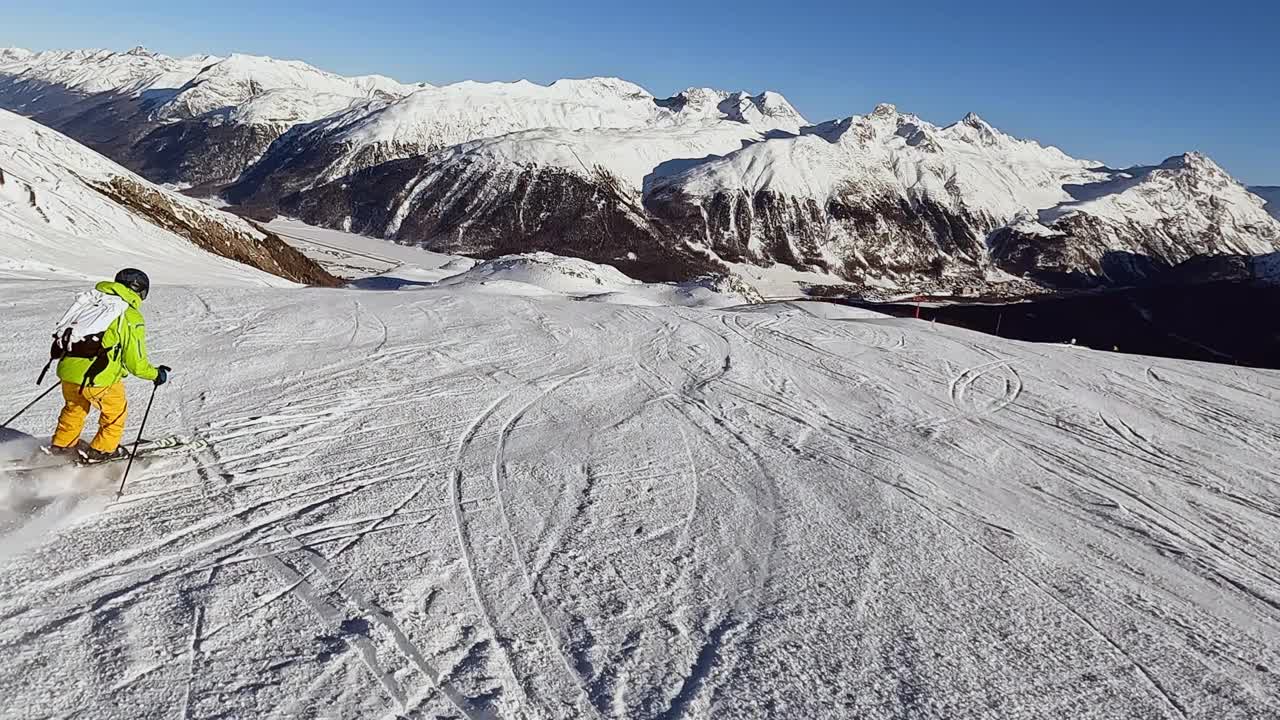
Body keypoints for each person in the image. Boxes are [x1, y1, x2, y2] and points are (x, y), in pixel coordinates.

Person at [49, 268, 170, 462]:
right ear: (141, 291)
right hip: (99, 377)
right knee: (115, 412)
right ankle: (102, 451)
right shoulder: (129, 316)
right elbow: (135, 363)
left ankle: (62, 447)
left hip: (68, 372)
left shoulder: (94, 303)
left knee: (74, 408)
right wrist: (156, 374)